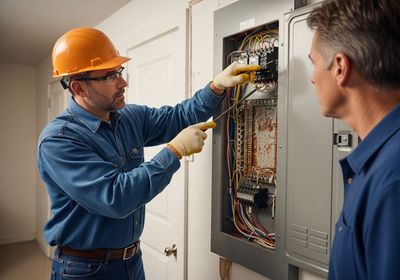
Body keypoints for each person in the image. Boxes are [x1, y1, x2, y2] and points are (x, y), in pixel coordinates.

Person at [37, 27, 260, 280]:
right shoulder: (59, 140)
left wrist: (216, 87)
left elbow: (178, 117)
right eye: (110, 76)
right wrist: (174, 151)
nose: (123, 82)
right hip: (85, 269)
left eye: (119, 71)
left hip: (131, 261)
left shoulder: (128, 117)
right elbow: (116, 197)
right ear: (78, 88)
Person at [307, 0, 400, 279]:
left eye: (313, 64)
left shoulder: (391, 181)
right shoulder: (378, 161)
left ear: (339, 67)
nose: (312, 79)